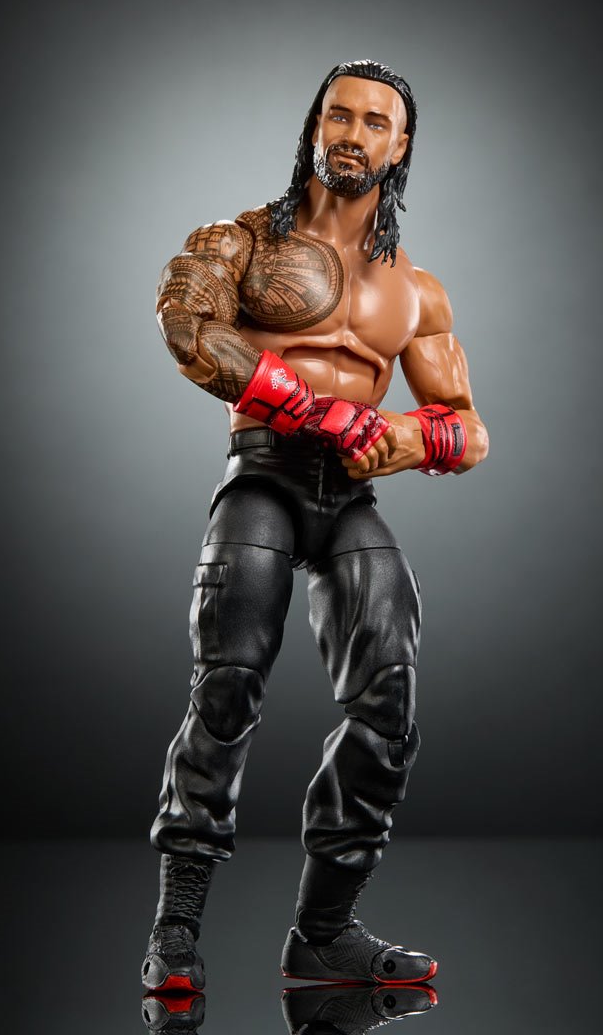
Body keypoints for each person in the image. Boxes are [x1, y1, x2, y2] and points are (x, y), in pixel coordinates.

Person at [142, 59, 488, 993]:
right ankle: (175, 932)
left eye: (376, 122)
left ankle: (323, 937)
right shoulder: (241, 240)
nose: (353, 133)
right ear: (314, 125)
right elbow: (188, 329)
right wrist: (312, 408)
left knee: (390, 707)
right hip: (264, 475)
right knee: (226, 691)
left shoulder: (416, 291)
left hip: (350, 500)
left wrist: (407, 438)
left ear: (400, 146)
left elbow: (469, 428)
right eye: (340, 114)